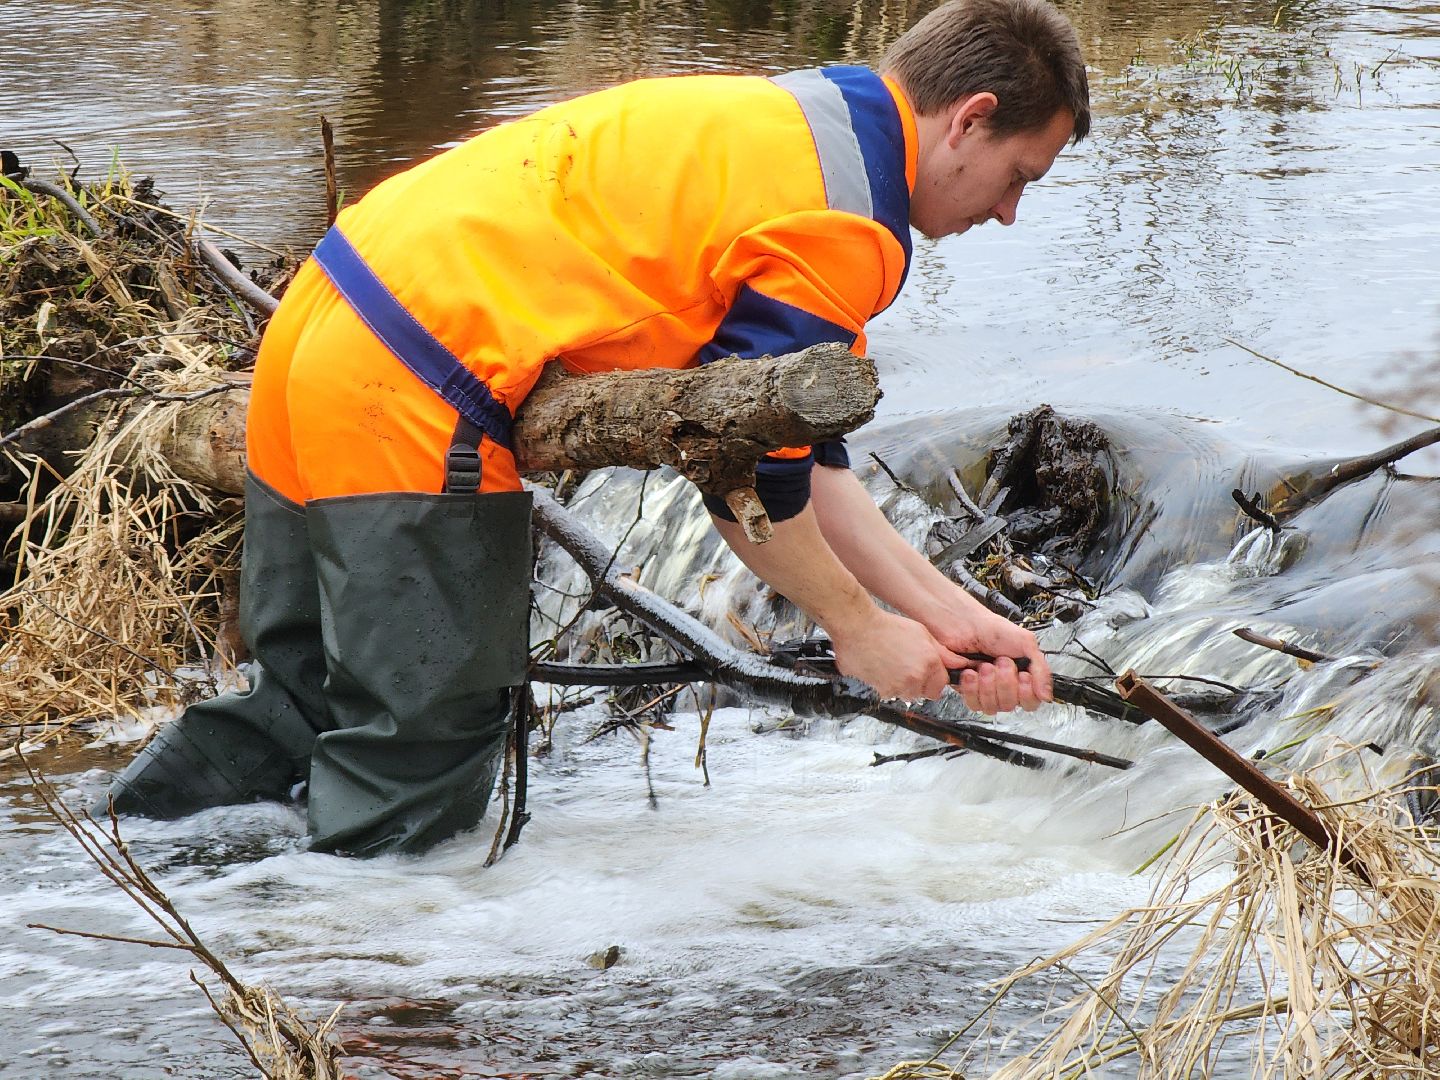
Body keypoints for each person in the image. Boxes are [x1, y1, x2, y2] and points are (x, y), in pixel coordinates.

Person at [102, 0, 1090, 856]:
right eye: (1020, 176)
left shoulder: (793, 120)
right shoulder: (847, 220)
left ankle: (114, 879)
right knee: (421, 754)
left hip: (319, 329)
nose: (1007, 212)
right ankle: (363, 1021)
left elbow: (804, 456)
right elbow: (753, 490)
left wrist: (950, 617)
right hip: (409, 387)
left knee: (301, 708)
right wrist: (858, 629)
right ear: (970, 119)